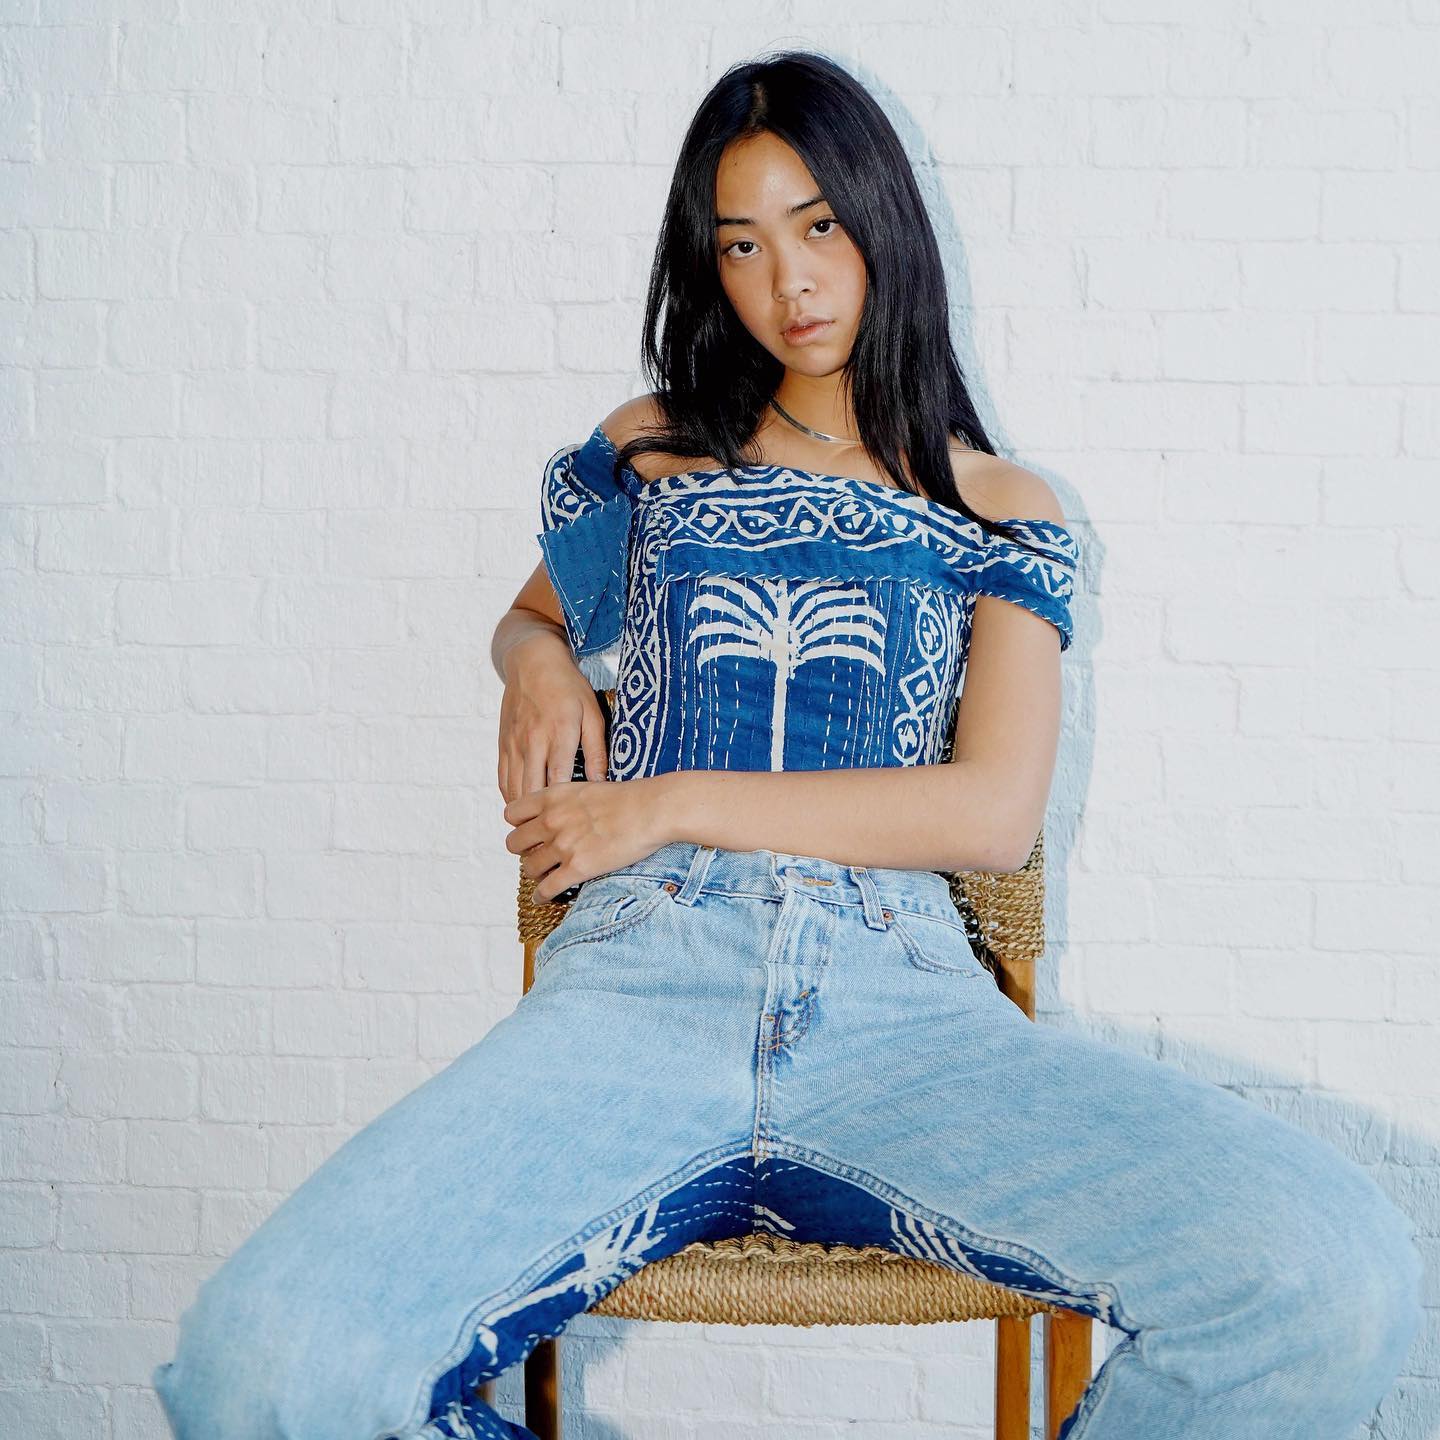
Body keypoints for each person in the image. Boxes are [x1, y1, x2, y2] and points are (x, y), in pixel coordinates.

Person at [152, 50, 1423, 1440]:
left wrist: (665, 801)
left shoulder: (1004, 505)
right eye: (741, 245)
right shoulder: (648, 450)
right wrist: (530, 664)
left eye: (819, 227)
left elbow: (993, 813)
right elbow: (529, 619)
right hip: (636, 994)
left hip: (906, 1015)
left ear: (884, 221)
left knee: (1333, 1273)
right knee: (259, 1368)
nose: (789, 283)